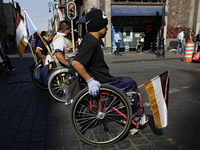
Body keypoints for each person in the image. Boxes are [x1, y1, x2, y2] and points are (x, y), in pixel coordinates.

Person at [71, 9, 139, 111]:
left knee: (127, 79)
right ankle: (134, 116)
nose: (107, 29)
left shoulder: (91, 40)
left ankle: (121, 107)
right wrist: (90, 81)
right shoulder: (90, 42)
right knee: (131, 84)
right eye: (105, 26)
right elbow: (76, 63)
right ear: (98, 26)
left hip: (102, 77)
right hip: (102, 80)